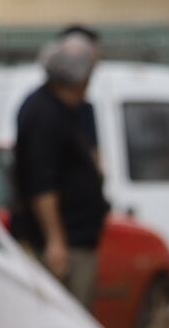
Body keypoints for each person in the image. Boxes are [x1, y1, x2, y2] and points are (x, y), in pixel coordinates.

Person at [11, 34, 107, 306]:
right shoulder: (43, 113)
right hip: (64, 244)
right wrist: (56, 241)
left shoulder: (69, 110)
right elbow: (42, 182)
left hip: (77, 239)